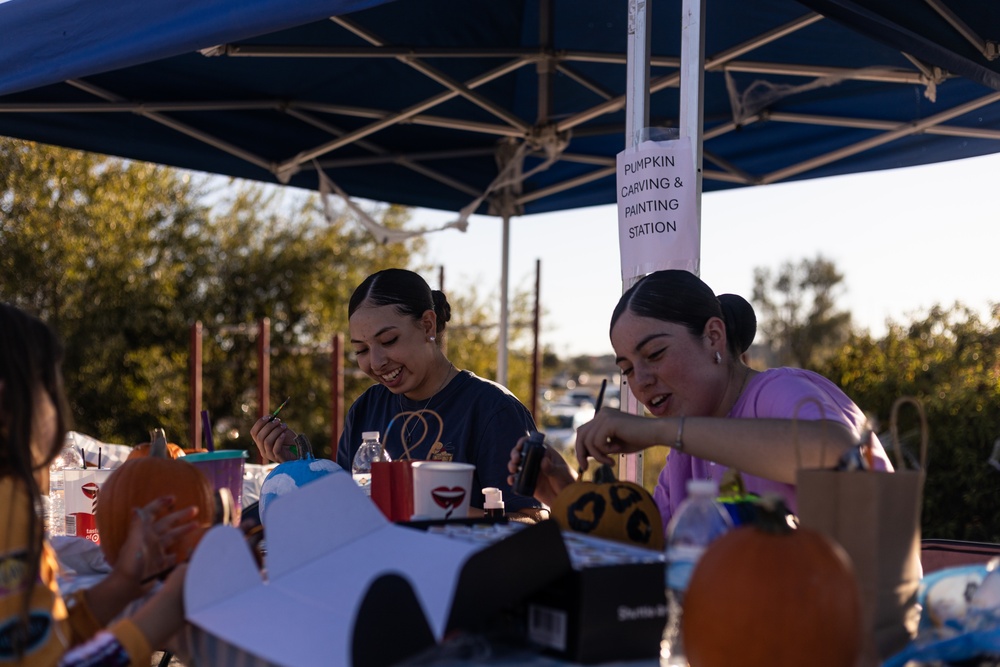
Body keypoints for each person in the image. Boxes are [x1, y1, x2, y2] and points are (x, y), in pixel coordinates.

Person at [508, 269, 892, 531]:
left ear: (713, 337)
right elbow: (651, 549)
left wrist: (660, 430)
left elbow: (840, 454)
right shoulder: (685, 453)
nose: (640, 381)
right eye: (626, 368)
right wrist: (567, 496)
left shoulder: (778, 391)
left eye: (655, 354)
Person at [0, 303, 199, 666]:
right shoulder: (7, 511)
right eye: (52, 388)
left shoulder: (13, 501)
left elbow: (45, 639)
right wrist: (162, 614)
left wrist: (124, 581)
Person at [252, 268, 542, 516]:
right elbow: (349, 505)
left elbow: (532, 526)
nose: (376, 363)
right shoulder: (367, 407)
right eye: (361, 350)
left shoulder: (493, 410)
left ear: (427, 325)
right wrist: (302, 463)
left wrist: (437, 509)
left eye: (389, 341)